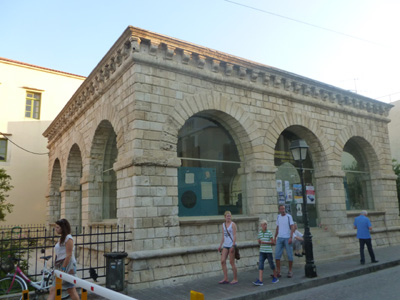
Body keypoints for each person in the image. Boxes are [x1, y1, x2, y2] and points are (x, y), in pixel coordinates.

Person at [47, 219, 79, 300]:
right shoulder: (62, 238)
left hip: (67, 266)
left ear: (63, 228)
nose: (56, 229)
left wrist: (63, 268)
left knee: (70, 290)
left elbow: (69, 255)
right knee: (56, 289)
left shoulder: (68, 238)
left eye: (57, 227)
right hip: (60, 266)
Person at [252, 220, 279, 286]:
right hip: (262, 251)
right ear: (261, 226)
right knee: (261, 264)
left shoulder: (269, 233)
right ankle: (260, 280)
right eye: (264, 225)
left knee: (271, 264)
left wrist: (265, 242)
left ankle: (275, 277)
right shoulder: (260, 233)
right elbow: (259, 241)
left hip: (268, 251)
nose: (265, 226)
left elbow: (273, 242)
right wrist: (259, 241)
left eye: (266, 225)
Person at [217, 211, 238, 285]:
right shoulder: (223, 225)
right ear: (225, 217)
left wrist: (233, 245)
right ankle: (226, 278)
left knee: (231, 262)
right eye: (227, 216)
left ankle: (235, 278)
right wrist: (220, 245)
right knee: (222, 261)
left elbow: (235, 235)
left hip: (231, 244)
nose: (228, 217)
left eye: (229, 216)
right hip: (225, 245)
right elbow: (223, 236)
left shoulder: (233, 224)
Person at [274, 205, 295, 278]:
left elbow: (292, 227)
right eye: (281, 209)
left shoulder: (289, 217)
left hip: (287, 237)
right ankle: (278, 271)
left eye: (284, 208)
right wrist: (275, 236)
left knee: (289, 255)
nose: (283, 210)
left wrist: (290, 237)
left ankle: (290, 271)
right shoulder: (278, 217)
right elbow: (277, 227)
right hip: (280, 237)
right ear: (279, 210)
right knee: (277, 255)